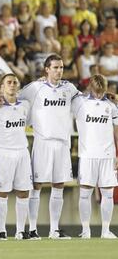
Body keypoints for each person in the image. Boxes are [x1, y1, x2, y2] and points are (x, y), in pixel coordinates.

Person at [19, 54, 79, 240]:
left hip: (62, 143)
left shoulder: (69, 88)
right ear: (46, 69)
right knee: (36, 185)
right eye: (55, 67)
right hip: (42, 142)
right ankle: (33, 229)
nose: (59, 70)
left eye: (61, 67)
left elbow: (82, 104)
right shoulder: (35, 87)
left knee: (58, 185)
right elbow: (15, 98)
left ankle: (54, 230)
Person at [0, 74, 32, 240]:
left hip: (22, 152)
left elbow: (28, 123)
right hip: (4, 153)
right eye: (9, 82)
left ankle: (20, 231)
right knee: (2, 192)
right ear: (2, 87)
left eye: (15, 82)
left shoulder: (25, 105)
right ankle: (1, 231)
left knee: (24, 192)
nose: (12, 85)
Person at [72, 74, 118, 239]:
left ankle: (106, 230)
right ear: (91, 87)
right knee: (85, 193)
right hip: (87, 155)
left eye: (102, 92)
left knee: (108, 193)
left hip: (107, 155)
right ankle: (86, 230)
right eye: (96, 91)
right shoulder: (79, 102)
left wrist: (117, 155)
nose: (99, 95)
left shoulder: (111, 106)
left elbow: (116, 130)